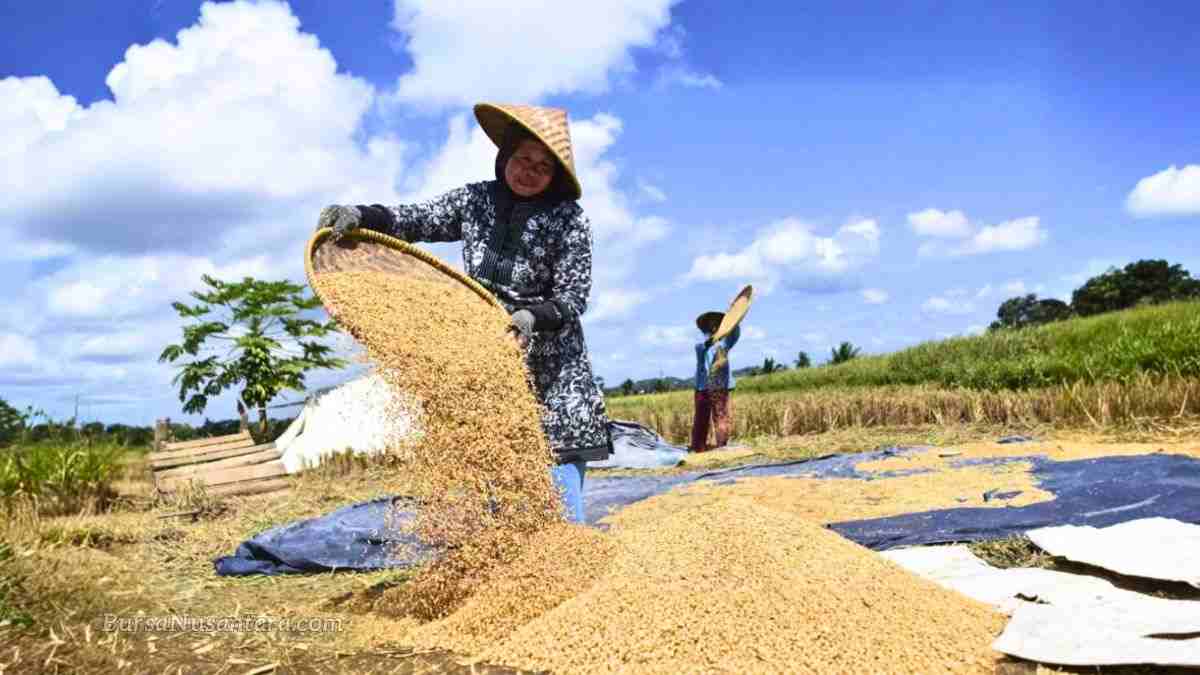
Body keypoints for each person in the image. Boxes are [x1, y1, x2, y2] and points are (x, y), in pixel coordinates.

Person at [315, 103, 611, 523]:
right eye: (523, 158)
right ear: (505, 156)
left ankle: (570, 554)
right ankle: (509, 560)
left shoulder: (569, 221)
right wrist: (364, 215)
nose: (530, 171)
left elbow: (574, 296)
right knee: (496, 457)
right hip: (486, 348)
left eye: (543, 167)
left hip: (551, 363)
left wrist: (531, 318)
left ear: (556, 177)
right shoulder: (476, 201)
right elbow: (416, 218)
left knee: (557, 463)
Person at [691, 311, 740, 453]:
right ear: (706, 326)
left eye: (716, 323)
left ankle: (722, 447)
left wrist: (734, 319)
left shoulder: (724, 343)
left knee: (721, 416)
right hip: (702, 387)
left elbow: (735, 333)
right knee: (701, 418)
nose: (713, 325)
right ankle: (698, 448)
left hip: (719, 386)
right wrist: (714, 339)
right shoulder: (702, 344)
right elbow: (702, 346)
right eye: (711, 322)